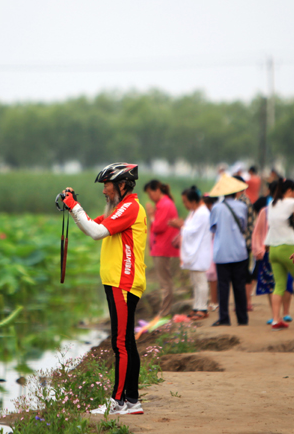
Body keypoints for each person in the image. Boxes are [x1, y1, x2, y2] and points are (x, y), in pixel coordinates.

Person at [61, 162, 146, 415]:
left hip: (123, 282)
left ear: (122, 185)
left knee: (120, 343)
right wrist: (73, 204)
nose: (104, 191)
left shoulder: (130, 207)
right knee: (127, 342)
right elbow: (89, 225)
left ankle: (117, 402)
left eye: (107, 185)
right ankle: (132, 401)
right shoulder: (119, 208)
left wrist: (73, 205)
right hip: (118, 281)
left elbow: (97, 232)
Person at [208, 174, 250, 326]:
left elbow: (213, 228)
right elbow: (243, 227)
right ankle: (242, 319)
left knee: (223, 287)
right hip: (239, 251)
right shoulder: (242, 206)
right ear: (235, 192)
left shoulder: (216, 208)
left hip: (222, 253)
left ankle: (224, 318)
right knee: (239, 286)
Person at [168, 186, 212, 320]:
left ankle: (203, 308)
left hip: (200, 251)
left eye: (185, 202)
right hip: (195, 251)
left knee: (200, 280)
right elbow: (189, 228)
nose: (184, 205)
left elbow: (193, 232)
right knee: (195, 281)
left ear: (193, 201)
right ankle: (197, 306)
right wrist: (181, 225)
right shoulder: (194, 212)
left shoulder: (203, 213)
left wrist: (180, 226)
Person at [264, 179, 294, 330]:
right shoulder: (293, 203)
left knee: (279, 285)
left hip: (273, 248)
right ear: (289, 191)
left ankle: (275, 320)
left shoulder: (271, 203)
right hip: (288, 246)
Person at [143, 180, 180, 318]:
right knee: (165, 280)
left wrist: (152, 215)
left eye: (150, 192)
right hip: (160, 247)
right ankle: (164, 311)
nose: (150, 196)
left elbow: (158, 227)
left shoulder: (165, 204)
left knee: (165, 282)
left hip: (163, 248)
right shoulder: (163, 204)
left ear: (158, 189)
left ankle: (164, 312)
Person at [233, 175, 256, 311]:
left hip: (243, 241)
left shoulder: (242, 202)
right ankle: (246, 302)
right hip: (245, 241)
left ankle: (246, 302)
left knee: (242, 273)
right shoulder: (244, 200)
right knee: (243, 272)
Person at [204, 195, 219, 311]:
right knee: (213, 276)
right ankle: (214, 300)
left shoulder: (211, 214)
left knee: (212, 275)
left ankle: (214, 301)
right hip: (214, 245)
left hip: (213, 245)